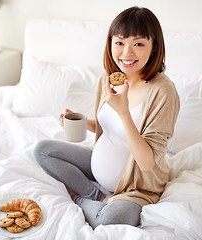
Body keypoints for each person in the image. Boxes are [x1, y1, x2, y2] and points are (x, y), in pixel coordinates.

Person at [33, 6, 180, 229]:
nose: (126, 53)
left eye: (138, 44)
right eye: (119, 42)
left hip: (136, 186)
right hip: (97, 164)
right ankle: (95, 195)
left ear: (154, 47)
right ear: (110, 43)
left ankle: (78, 197)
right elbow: (108, 128)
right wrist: (81, 122)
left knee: (112, 220)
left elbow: (147, 162)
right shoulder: (109, 78)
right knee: (43, 150)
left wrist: (123, 111)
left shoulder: (163, 91)